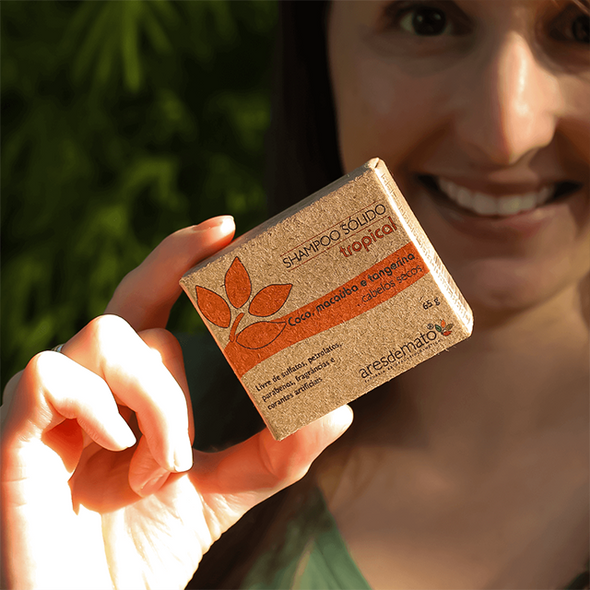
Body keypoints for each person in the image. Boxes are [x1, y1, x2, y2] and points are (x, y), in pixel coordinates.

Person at [2, 1, 589, 588]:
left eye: (583, 28)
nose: (505, 135)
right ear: (318, 48)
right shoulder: (124, 451)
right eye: (427, 20)